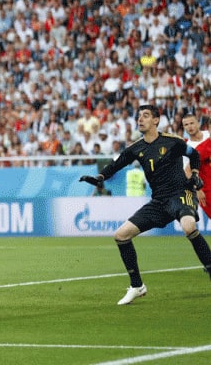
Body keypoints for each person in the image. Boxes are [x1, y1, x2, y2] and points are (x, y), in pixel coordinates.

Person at [79, 105, 211, 305]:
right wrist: (99, 177)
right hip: (158, 201)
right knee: (121, 235)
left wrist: (193, 174)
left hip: (181, 193)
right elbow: (117, 164)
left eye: (146, 116)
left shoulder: (173, 142)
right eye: (139, 116)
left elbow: (194, 155)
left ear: (156, 121)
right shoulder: (136, 148)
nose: (140, 119)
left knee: (188, 226)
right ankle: (137, 286)